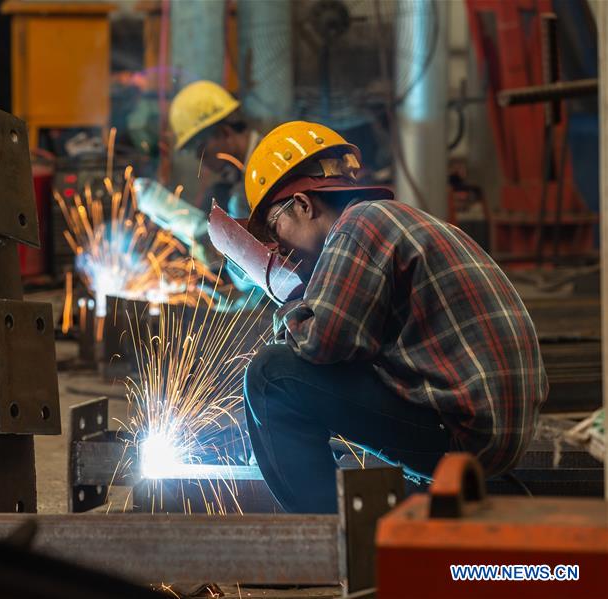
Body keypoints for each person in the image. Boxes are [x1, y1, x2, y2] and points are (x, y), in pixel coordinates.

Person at [237, 121, 547, 513]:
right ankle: (415, 498)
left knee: (271, 375)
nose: (276, 245)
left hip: (463, 434)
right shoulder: (386, 219)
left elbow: (322, 343)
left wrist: (291, 309)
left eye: (273, 226)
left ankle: (329, 536)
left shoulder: (356, 227)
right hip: (493, 430)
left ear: (302, 204)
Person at [168, 80, 261, 218]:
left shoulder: (267, 165)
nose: (200, 159)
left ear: (225, 132)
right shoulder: (238, 176)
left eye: (201, 150)